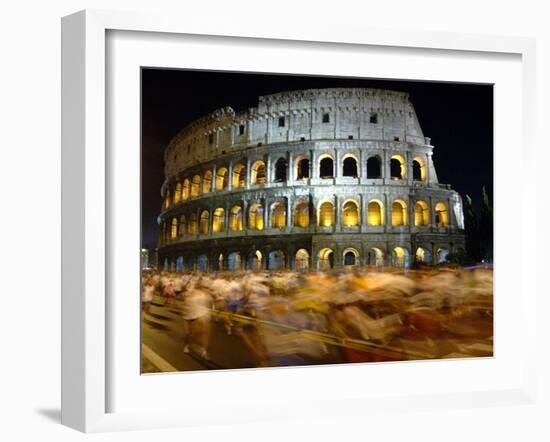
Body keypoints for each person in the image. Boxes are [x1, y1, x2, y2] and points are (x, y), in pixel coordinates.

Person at [181, 278, 213, 359]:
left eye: (200, 283)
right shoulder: (190, 291)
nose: (199, 284)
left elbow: (210, 302)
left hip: (197, 316)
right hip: (187, 316)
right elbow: (183, 297)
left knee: (204, 331)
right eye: (198, 283)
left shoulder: (205, 294)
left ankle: (204, 351)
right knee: (188, 334)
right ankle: (186, 345)